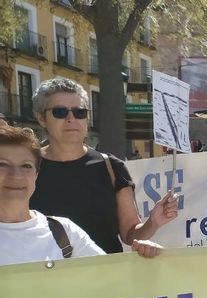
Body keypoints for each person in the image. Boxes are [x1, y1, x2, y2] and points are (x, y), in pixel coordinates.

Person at [29, 77, 178, 254]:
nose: (71, 119)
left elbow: (130, 233)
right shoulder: (25, 167)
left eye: (79, 112)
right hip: (45, 270)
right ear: (41, 118)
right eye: (60, 112)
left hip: (106, 269)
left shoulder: (112, 167)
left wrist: (153, 222)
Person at [0, 126, 161, 265]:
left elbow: (111, 278)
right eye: (3, 165)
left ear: (36, 175)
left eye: (26, 166)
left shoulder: (64, 232)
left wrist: (144, 258)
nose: (16, 176)